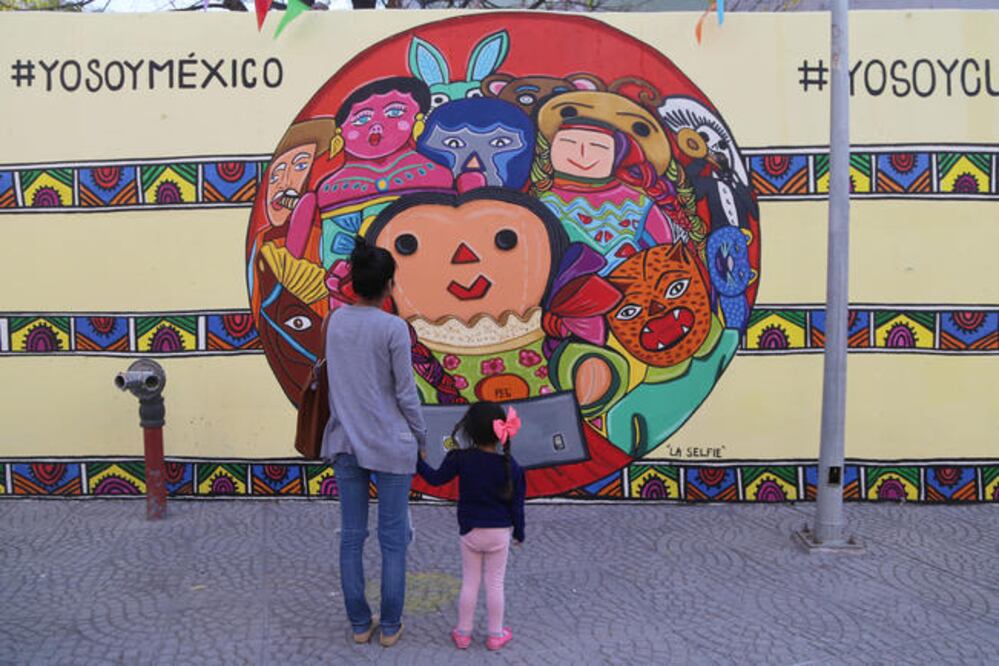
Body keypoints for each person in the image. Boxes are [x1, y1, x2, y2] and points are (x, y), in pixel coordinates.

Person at [321, 236, 427, 647]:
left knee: (351, 537)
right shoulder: (393, 328)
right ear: (388, 285)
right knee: (393, 539)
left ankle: (360, 624)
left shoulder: (334, 322)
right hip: (390, 443)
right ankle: (390, 626)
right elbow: (406, 393)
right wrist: (421, 436)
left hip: (345, 441)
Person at [416, 402, 526, 651]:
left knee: (470, 582)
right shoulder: (511, 466)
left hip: (470, 532)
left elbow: (435, 479)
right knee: (495, 584)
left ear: (469, 430)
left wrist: (417, 460)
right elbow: (517, 506)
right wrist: (519, 533)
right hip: (499, 534)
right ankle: (496, 635)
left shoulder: (460, 459)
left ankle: (463, 633)